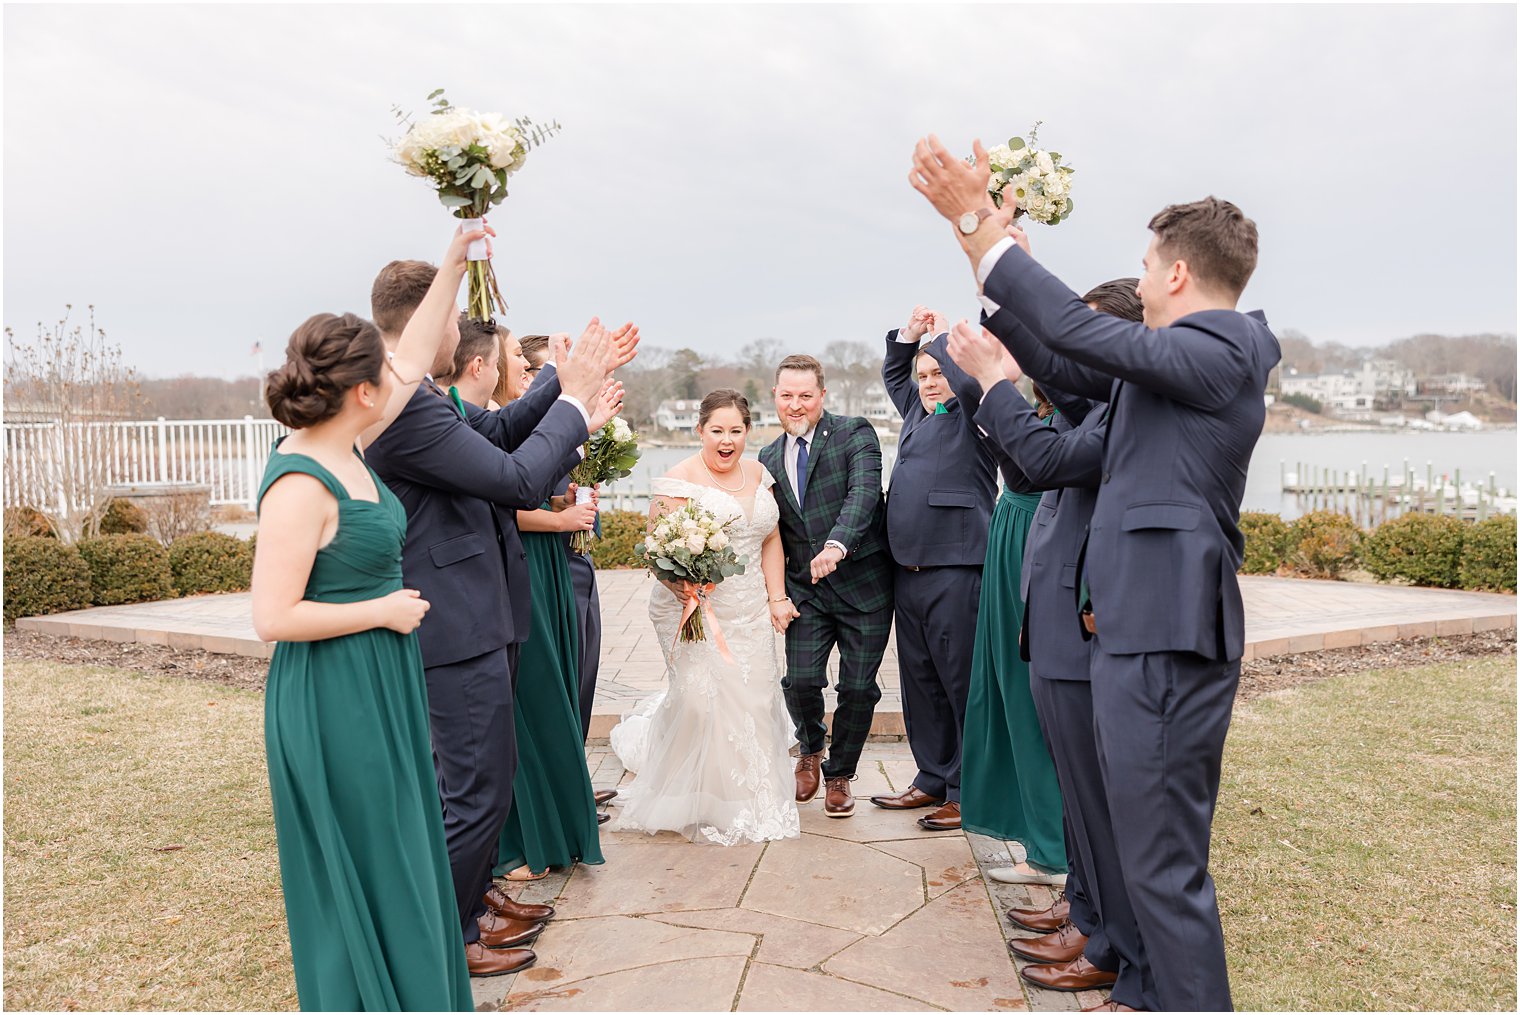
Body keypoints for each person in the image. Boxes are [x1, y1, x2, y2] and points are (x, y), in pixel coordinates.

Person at [913, 134, 1279, 1011]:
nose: (1141, 278)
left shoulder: (1224, 350)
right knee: (1139, 850)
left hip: (1164, 635)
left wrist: (978, 230)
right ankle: (1146, 989)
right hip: (1132, 631)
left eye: (1149, 265)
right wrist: (1003, 299)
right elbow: (1071, 364)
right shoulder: (1168, 370)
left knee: (1160, 866)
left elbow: (1079, 333)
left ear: (1180, 273)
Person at [365, 256, 637, 976]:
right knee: (475, 788)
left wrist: (560, 378)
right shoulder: (404, 406)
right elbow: (515, 477)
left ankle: (470, 905)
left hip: (478, 613)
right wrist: (574, 402)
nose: (462, 328)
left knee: (487, 778)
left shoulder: (419, 395)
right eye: (454, 315)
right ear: (428, 316)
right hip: (452, 625)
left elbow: (501, 432)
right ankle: (449, 939)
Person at [250, 226, 477, 1010]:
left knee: (403, 853)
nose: (402, 373)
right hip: (330, 695)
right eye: (386, 373)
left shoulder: (355, 439)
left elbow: (414, 351)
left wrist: (456, 259)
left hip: (380, 679)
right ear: (362, 392)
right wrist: (379, 607)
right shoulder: (302, 482)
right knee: (369, 858)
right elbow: (271, 615)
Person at [952, 279, 1147, 1003]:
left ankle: (1105, 940)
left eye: (1085, 337)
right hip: (1056, 621)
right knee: (1078, 794)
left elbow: (1043, 458)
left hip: (1085, 624)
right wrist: (999, 286)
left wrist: (997, 373)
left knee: (1096, 800)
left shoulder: (1122, 406)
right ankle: (1087, 912)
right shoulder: (1091, 400)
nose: (1070, 354)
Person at [609, 389, 801, 845]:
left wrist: (777, 597)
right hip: (692, 608)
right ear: (700, 430)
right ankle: (693, 794)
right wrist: (687, 587)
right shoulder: (678, 479)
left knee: (753, 700)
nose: (726, 439)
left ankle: (746, 798)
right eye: (717, 430)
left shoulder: (759, 473)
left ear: (748, 432)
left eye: (736, 430)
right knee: (700, 702)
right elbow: (659, 552)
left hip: (751, 605)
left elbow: (770, 538)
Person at [870, 314, 997, 832]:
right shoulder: (915, 414)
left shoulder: (973, 410)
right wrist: (909, 338)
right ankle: (931, 779)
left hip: (958, 566)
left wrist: (946, 341)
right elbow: (897, 376)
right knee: (920, 681)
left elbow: (967, 378)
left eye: (936, 373)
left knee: (960, 683)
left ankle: (969, 792)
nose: (927, 383)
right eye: (923, 375)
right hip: (909, 567)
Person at [757, 354, 893, 818]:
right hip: (806, 593)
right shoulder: (767, 457)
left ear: (822, 396)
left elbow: (863, 495)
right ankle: (809, 748)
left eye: (805, 396)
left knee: (857, 689)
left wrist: (837, 544)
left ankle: (839, 773)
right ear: (775, 396)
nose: (796, 406)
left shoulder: (855, 433)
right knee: (800, 681)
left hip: (864, 586)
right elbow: (768, 530)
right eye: (787, 396)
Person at [519, 335, 613, 758]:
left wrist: (578, 498)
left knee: (584, 670)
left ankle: (574, 771)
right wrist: (559, 518)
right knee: (556, 678)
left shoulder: (569, 426)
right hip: (543, 563)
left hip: (578, 560)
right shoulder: (522, 430)